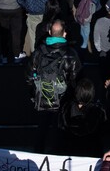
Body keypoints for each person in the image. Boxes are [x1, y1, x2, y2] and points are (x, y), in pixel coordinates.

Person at [28, 19, 82, 151]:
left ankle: (38, 152)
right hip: (63, 100)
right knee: (61, 129)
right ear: (64, 34)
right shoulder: (71, 54)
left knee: (42, 129)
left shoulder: (39, 52)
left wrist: (34, 93)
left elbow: (29, 75)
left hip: (43, 98)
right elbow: (76, 78)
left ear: (49, 32)